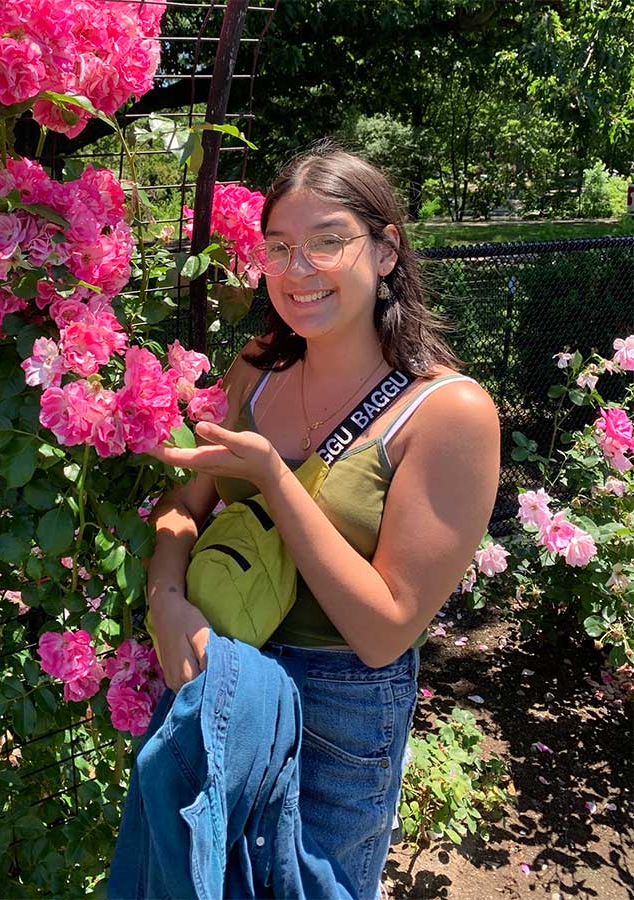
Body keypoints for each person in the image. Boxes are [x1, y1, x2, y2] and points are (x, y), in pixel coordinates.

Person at [145, 144, 500, 899]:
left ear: (384, 249)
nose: (296, 269)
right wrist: (165, 600)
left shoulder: (445, 413)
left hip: (338, 708)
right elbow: (183, 501)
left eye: (327, 241)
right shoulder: (256, 369)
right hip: (219, 665)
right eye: (277, 247)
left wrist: (274, 479)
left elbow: (385, 628)